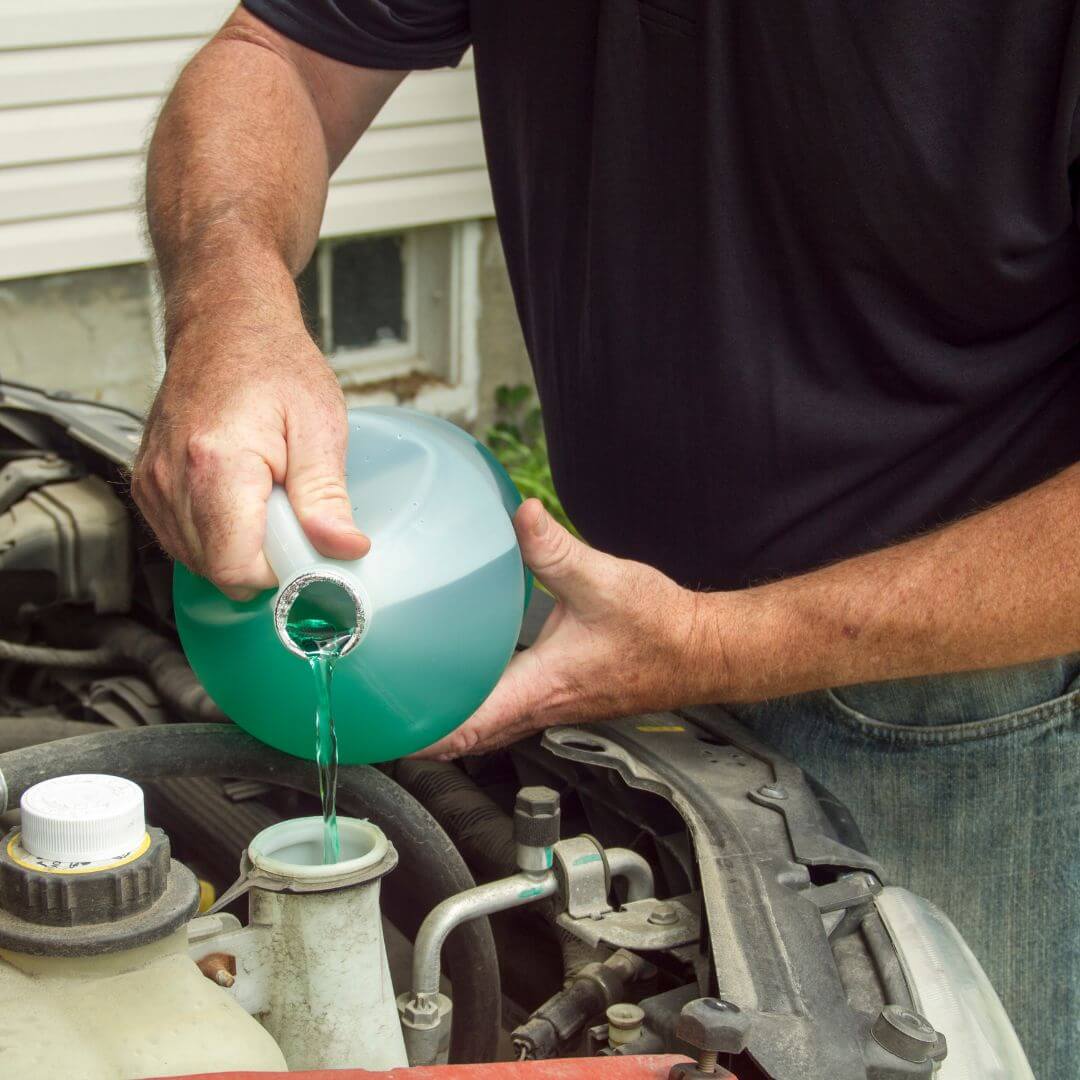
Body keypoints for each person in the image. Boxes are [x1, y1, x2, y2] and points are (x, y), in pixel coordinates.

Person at [132, 4, 1080, 1075]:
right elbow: (281, 59)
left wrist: (719, 642)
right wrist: (227, 300)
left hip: (959, 708)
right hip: (611, 640)